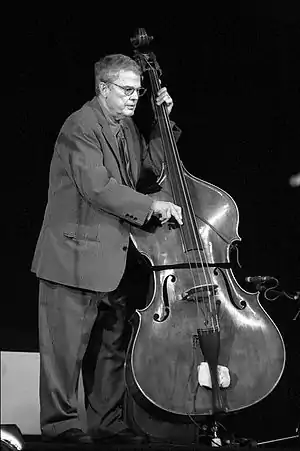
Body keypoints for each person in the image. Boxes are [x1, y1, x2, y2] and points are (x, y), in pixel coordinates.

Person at [31, 53, 183, 445]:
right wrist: (152, 206)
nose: (135, 97)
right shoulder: (79, 126)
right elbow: (97, 186)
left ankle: (107, 424)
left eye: (138, 90)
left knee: (108, 352)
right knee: (63, 356)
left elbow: (146, 173)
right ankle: (61, 428)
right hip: (73, 258)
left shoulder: (128, 127)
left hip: (114, 259)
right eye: (127, 90)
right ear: (103, 88)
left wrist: (165, 125)